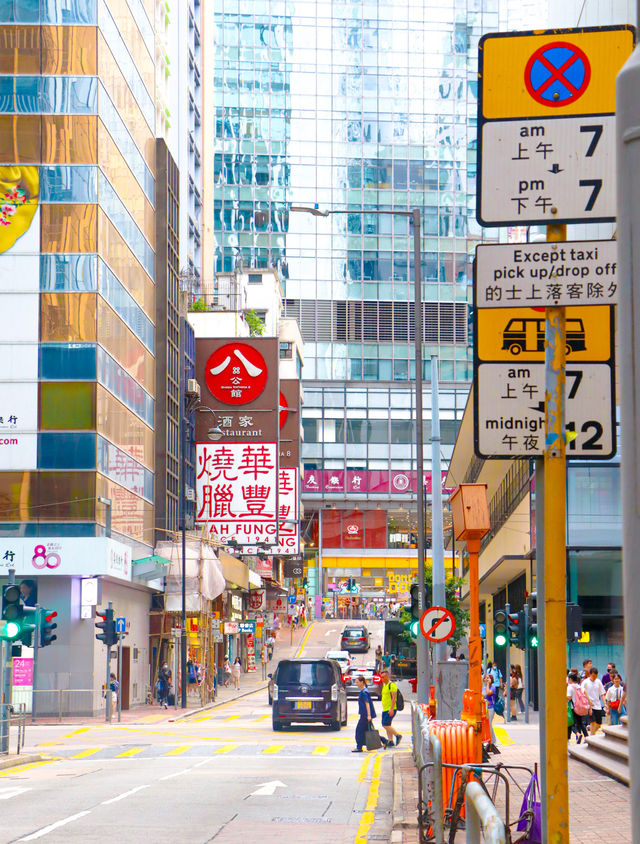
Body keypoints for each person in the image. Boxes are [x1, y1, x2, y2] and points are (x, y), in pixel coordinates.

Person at [353, 676, 381, 752]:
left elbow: (367, 704)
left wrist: (369, 715)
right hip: (364, 715)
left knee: (359, 731)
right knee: (369, 730)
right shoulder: (364, 691)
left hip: (365, 716)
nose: (356, 684)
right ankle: (384, 741)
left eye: (357, 682)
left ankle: (359, 747)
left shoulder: (364, 692)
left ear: (362, 682)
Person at [379, 669, 401, 747]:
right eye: (381, 677)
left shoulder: (391, 685)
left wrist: (391, 709)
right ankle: (390, 740)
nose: (382, 679)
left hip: (391, 708)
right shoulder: (384, 685)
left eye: (384, 677)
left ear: (388, 677)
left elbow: (394, 698)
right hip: (385, 708)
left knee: (385, 724)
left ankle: (397, 735)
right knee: (388, 724)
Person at [581, 666, 606, 734]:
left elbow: (602, 693)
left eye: (596, 676)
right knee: (592, 722)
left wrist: (605, 703)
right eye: (593, 676)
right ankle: (592, 737)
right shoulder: (585, 682)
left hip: (597, 704)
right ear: (590, 674)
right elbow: (582, 692)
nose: (594, 677)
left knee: (598, 723)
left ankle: (591, 735)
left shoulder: (598, 682)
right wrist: (588, 701)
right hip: (589, 705)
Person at [567, 670, 589, 744]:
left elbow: (569, 698)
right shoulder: (579, 687)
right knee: (580, 723)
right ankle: (586, 737)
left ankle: (578, 734)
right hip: (581, 708)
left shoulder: (570, 687)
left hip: (574, 708)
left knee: (571, 723)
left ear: (570, 679)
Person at [483, 673, 500, 753]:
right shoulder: (483, 688)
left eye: (488, 678)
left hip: (490, 708)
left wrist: (487, 684)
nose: (487, 679)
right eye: (486, 678)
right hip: (484, 708)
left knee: (489, 724)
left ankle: (493, 741)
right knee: (486, 725)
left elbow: (488, 693)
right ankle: (488, 740)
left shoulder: (493, 688)